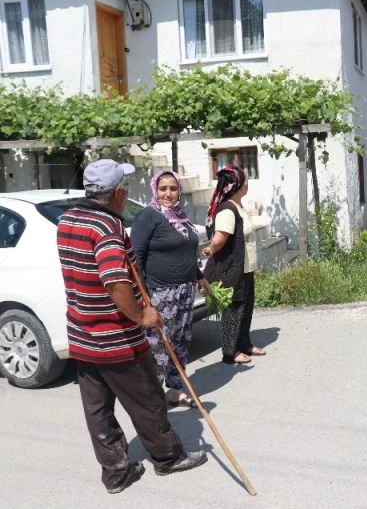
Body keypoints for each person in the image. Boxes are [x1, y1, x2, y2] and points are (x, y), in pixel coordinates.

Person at [56, 159, 207, 494]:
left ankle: (116, 473)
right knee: (148, 398)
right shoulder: (106, 227)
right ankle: (168, 457)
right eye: (123, 186)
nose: (125, 192)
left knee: (97, 409)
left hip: (82, 335)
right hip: (116, 337)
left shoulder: (68, 219)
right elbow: (115, 283)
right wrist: (142, 316)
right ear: (117, 193)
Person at [131, 170, 210, 408]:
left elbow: (187, 252)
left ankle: (174, 391)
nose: (168, 193)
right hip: (160, 293)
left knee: (181, 342)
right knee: (158, 345)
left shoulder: (180, 217)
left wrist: (199, 277)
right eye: (163, 188)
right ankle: (152, 398)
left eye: (173, 188)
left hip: (185, 290)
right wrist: (143, 298)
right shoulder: (148, 216)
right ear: (155, 190)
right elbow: (135, 258)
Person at [202, 165, 265, 364]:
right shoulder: (228, 209)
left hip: (245, 268)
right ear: (237, 184)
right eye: (245, 180)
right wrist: (212, 248)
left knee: (246, 308)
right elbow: (220, 238)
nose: (247, 183)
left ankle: (244, 344)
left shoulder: (238, 206)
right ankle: (230, 353)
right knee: (234, 310)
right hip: (233, 270)